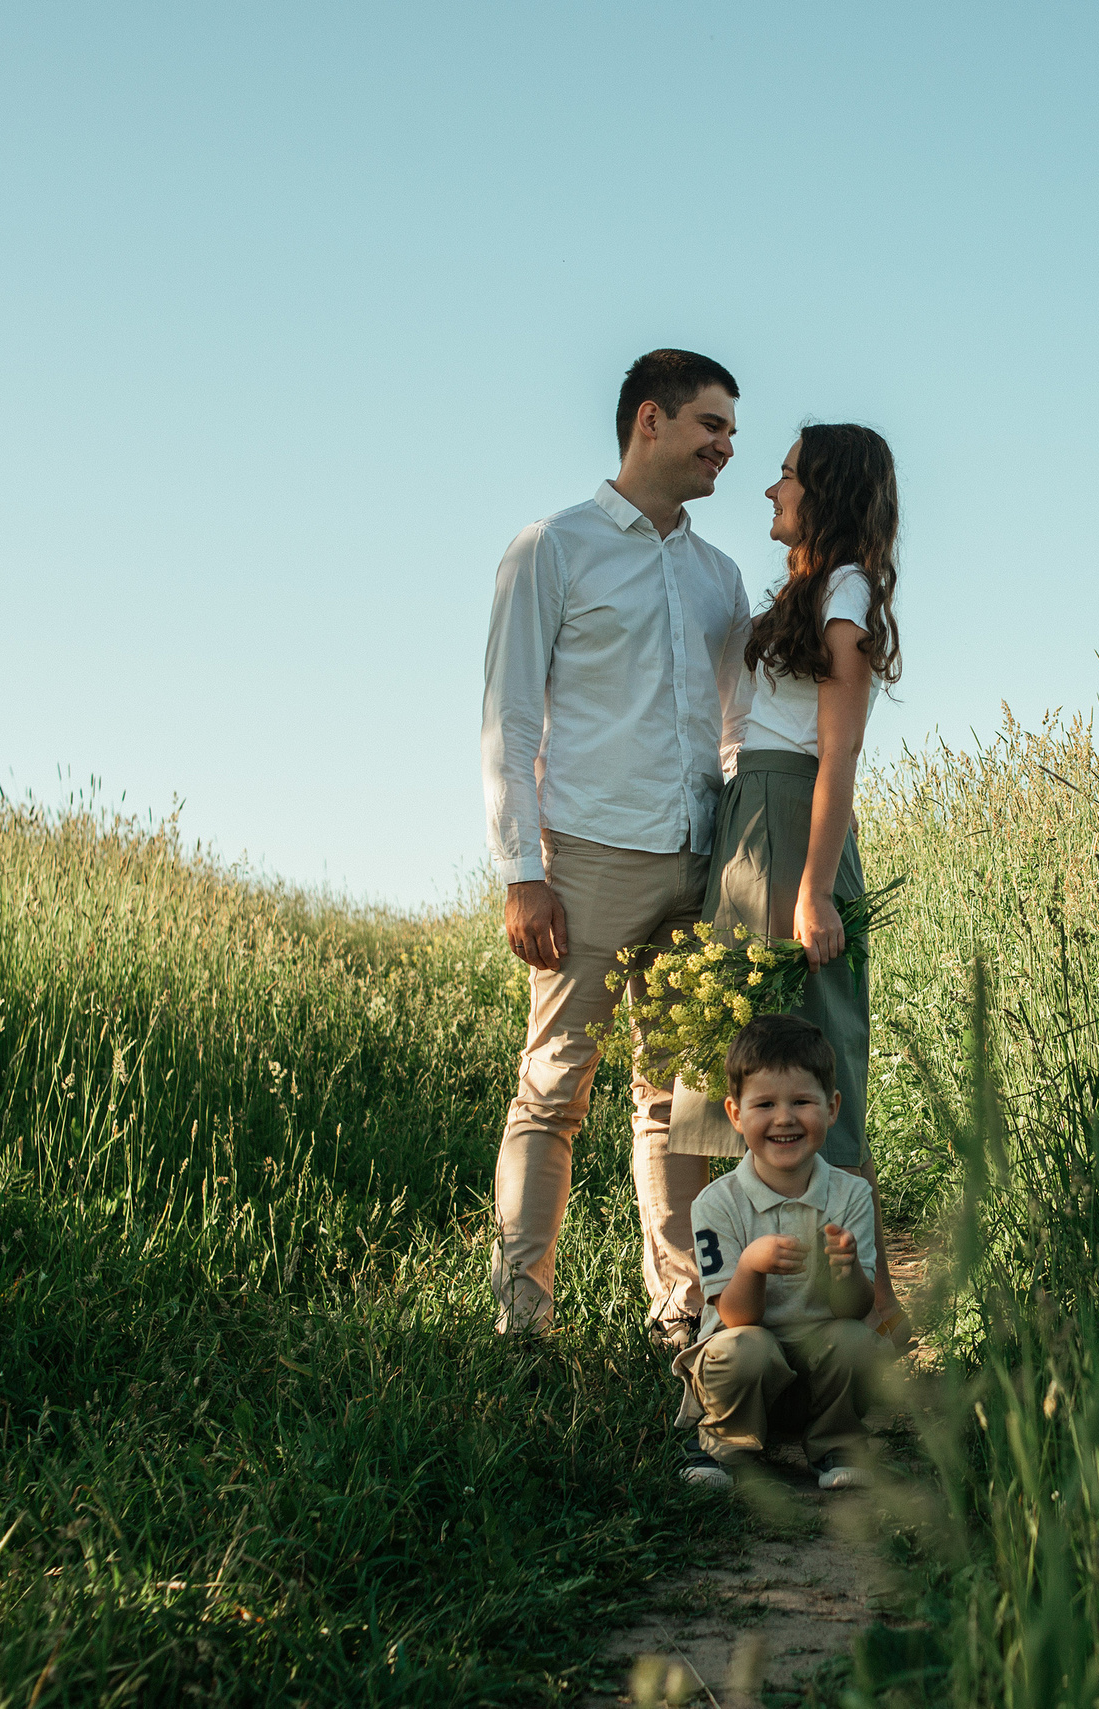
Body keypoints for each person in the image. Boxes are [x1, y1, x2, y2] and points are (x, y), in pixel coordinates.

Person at [480, 348, 750, 1345]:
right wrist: (523, 871)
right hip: (585, 859)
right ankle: (523, 1328)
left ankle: (687, 1318)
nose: (727, 447)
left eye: (730, 432)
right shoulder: (553, 546)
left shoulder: (720, 576)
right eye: (711, 426)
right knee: (553, 1089)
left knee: (684, 1105)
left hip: (697, 865)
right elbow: (507, 717)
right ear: (651, 419)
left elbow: (735, 726)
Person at [666, 423, 906, 1333]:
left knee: (806, 1060)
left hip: (792, 829)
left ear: (828, 492)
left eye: (789, 476)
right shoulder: (810, 588)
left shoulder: (845, 588)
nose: (771, 489)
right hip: (753, 821)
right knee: (744, 1064)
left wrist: (812, 889)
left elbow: (838, 754)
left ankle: (870, 1312)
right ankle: (752, 1310)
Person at [676, 1015, 883, 1491]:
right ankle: (722, 1445)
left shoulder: (850, 1196)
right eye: (764, 1104)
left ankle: (837, 1442)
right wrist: (750, 1264)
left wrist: (847, 1271)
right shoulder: (717, 1203)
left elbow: (855, 1309)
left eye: (802, 1102)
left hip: (818, 1373)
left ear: (832, 1109)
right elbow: (734, 1316)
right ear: (735, 1114)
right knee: (746, 1349)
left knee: (856, 1342)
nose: (785, 1118)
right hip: (747, 1370)